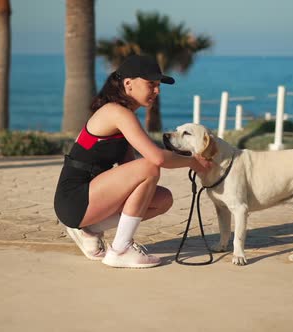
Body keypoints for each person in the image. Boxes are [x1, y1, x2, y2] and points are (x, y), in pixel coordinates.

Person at [54, 55, 211, 269]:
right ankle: (120, 249)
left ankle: (88, 230)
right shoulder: (115, 112)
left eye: (158, 86)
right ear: (128, 83)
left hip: (87, 201)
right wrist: (192, 161)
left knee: (163, 198)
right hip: (74, 199)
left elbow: (129, 170)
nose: (157, 91)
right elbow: (155, 158)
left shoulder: (125, 115)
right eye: (151, 85)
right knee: (149, 166)